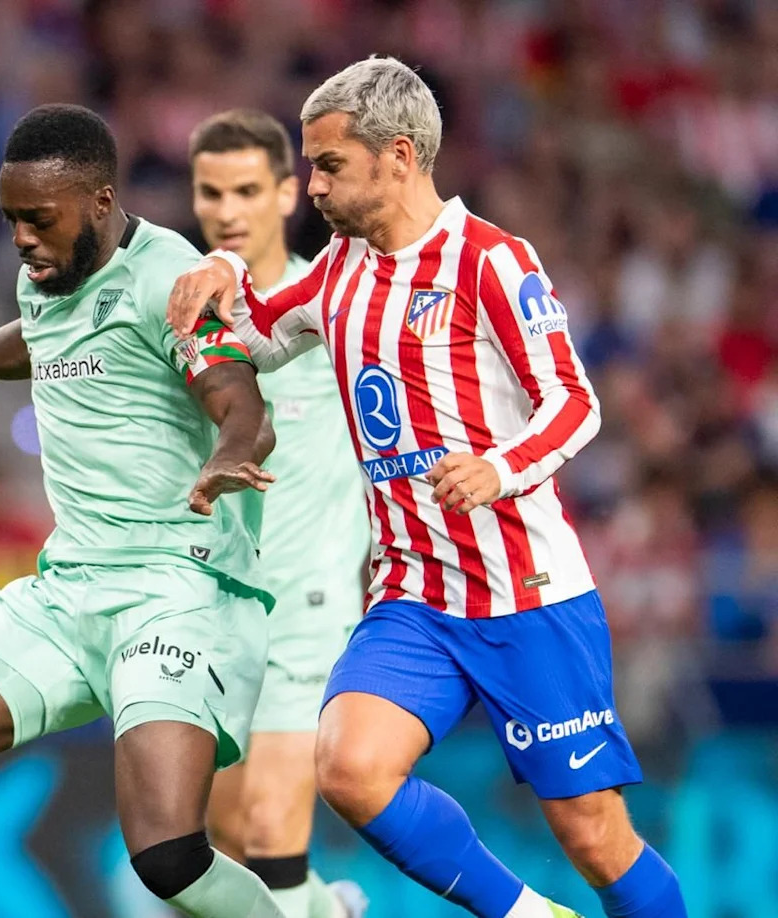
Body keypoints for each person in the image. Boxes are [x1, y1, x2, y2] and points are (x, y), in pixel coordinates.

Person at [167, 58, 687, 918]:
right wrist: (225, 270)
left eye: (330, 165)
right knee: (349, 769)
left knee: (594, 835)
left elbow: (574, 401)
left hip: (526, 594)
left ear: (399, 156)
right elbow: (257, 335)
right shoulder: (340, 268)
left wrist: (498, 467)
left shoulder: (491, 260)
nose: (314, 187)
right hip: (414, 595)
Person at [0, 103, 291, 918]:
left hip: (178, 591)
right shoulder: (48, 275)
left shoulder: (170, 282)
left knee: (168, 858)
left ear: (101, 202)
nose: (21, 238)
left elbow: (239, 401)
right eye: (11, 219)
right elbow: (34, 338)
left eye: (38, 219)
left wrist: (230, 453)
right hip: (69, 592)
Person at [188, 110, 370, 918]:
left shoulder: (332, 303)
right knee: (221, 842)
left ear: (289, 192)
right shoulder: (183, 314)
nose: (228, 211)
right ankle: (331, 911)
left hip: (309, 601)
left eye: (248, 190)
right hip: (217, 606)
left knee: (269, 826)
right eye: (212, 192)